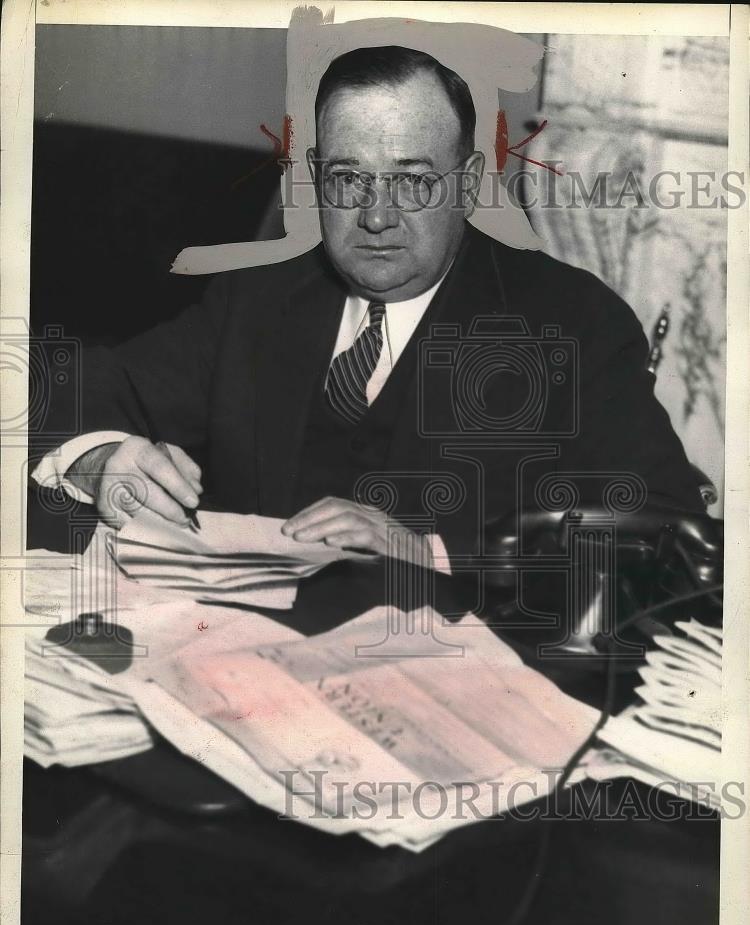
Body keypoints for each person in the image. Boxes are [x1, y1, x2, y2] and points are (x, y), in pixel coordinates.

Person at [33, 45, 702, 579]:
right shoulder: (258, 301)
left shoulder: (574, 322)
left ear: (468, 185)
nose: (377, 217)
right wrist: (96, 458)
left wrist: (437, 553)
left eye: (412, 180)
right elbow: (61, 390)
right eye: (349, 179)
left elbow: (666, 524)